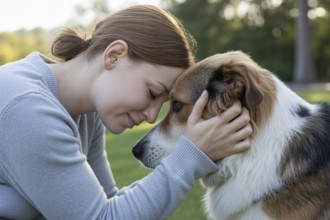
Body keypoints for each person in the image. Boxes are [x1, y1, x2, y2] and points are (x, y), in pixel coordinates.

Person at [0, 4, 252, 220]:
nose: (152, 116)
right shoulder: (27, 107)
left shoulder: (86, 112)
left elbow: (108, 203)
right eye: (152, 93)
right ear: (115, 55)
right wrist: (191, 156)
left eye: (163, 103)